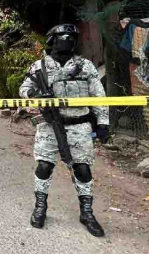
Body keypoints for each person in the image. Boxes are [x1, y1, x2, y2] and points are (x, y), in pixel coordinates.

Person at [19, 23, 109, 237]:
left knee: (82, 169)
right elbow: (24, 88)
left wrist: (103, 122)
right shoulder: (39, 66)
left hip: (80, 124)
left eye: (71, 37)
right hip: (49, 125)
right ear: (52, 40)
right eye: (62, 37)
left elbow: (99, 95)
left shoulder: (85, 66)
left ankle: (86, 212)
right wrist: (34, 96)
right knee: (43, 167)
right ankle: (40, 206)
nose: (67, 40)